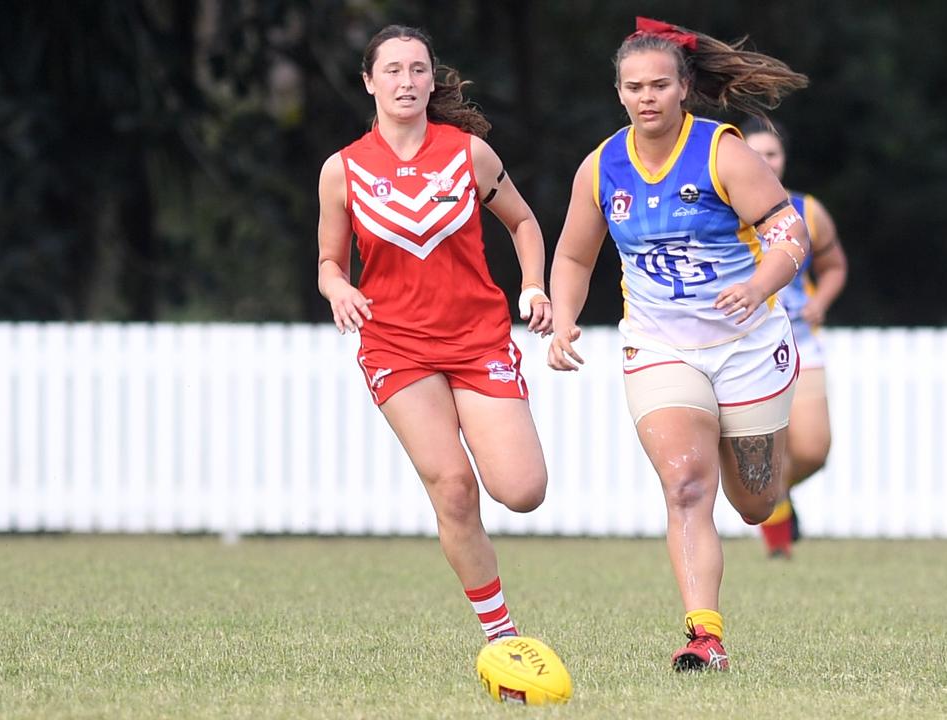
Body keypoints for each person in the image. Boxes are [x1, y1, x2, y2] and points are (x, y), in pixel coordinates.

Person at [547, 17, 810, 671]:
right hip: (661, 347)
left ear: (684, 87)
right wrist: (564, 320)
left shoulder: (723, 153)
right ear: (619, 92)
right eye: (634, 86)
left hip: (748, 344)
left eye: (659, 85)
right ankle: (704, 636)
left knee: (753, 502)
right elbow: (576, 258)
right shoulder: (602, 167)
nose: (646, 97)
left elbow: (790, 233)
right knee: (686, 487)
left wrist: (758, 283)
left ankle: (740, 448)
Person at [316, 24, 554, 644]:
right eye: (392, 70)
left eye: (418, 69)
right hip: (395, 345)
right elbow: (328, 264)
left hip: (478, 340)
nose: (406, 81)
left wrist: (533, 287)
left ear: (431, 79)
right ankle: (502, 636)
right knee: (452, 486)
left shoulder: (468, 152)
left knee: (522, 490)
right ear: (369, 82)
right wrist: (338, 287)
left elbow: (524, 223)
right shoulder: (341, 171)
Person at [741, 118, 849, 559]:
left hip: (800, 340)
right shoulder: (719, 209)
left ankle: (776, 492)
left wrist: (821, 299)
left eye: (773, 154)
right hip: (743, 344)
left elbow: (835, 267)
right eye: (755, 153)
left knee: (813, 448)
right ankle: (779, 548)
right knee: (749, 452)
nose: (765, 162)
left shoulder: (808, 210)